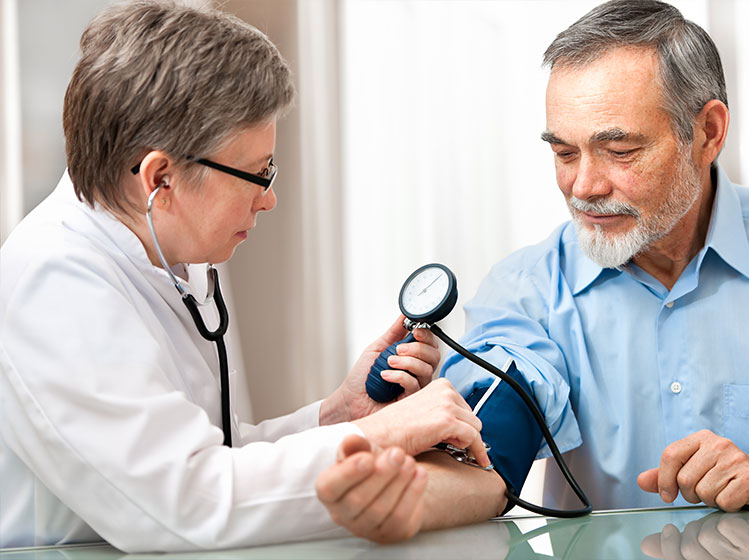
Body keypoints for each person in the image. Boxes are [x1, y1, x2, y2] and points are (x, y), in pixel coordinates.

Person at [317, 0, 749, 539]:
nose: (584, 188)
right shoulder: (525, 290)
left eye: (620, 150)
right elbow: (491, 448)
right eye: (565, 154)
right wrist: (411, 495)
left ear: (708, 132)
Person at [0, 0, 492, 552]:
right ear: (160, 178)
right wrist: (379, 435)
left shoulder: (168, 256)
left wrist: (339, 415)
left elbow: (214, 457)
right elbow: (183, 502)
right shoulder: (55, 282)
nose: (269, 198)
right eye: (257, 174)